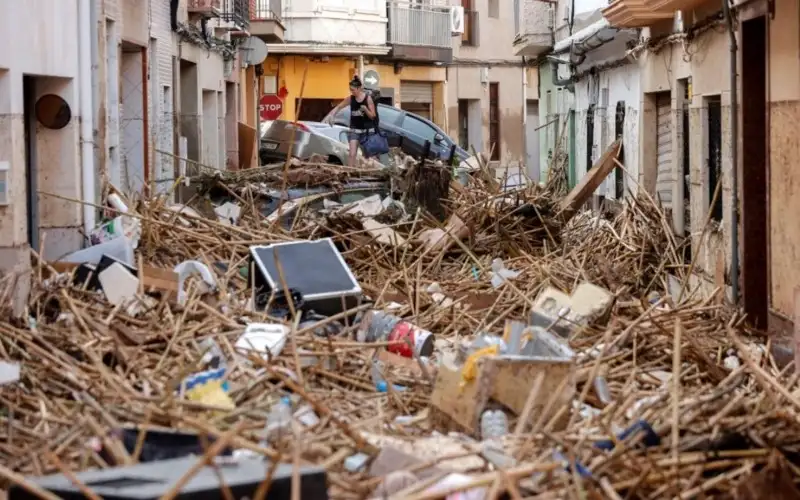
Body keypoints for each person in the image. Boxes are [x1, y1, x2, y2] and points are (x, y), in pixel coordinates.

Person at [326, 75, 378, 167]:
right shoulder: (350, 98)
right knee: (352, 153)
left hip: (367, 131)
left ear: (359, 88)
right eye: (350, 90)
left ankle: (371, 171)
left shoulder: (368, 99)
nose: (352, 92)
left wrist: (366, 110)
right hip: (354, 130)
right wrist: (332, 115)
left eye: (353, 90)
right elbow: (339, 107)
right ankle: (350, 171)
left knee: (369, 156)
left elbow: (373, 116)